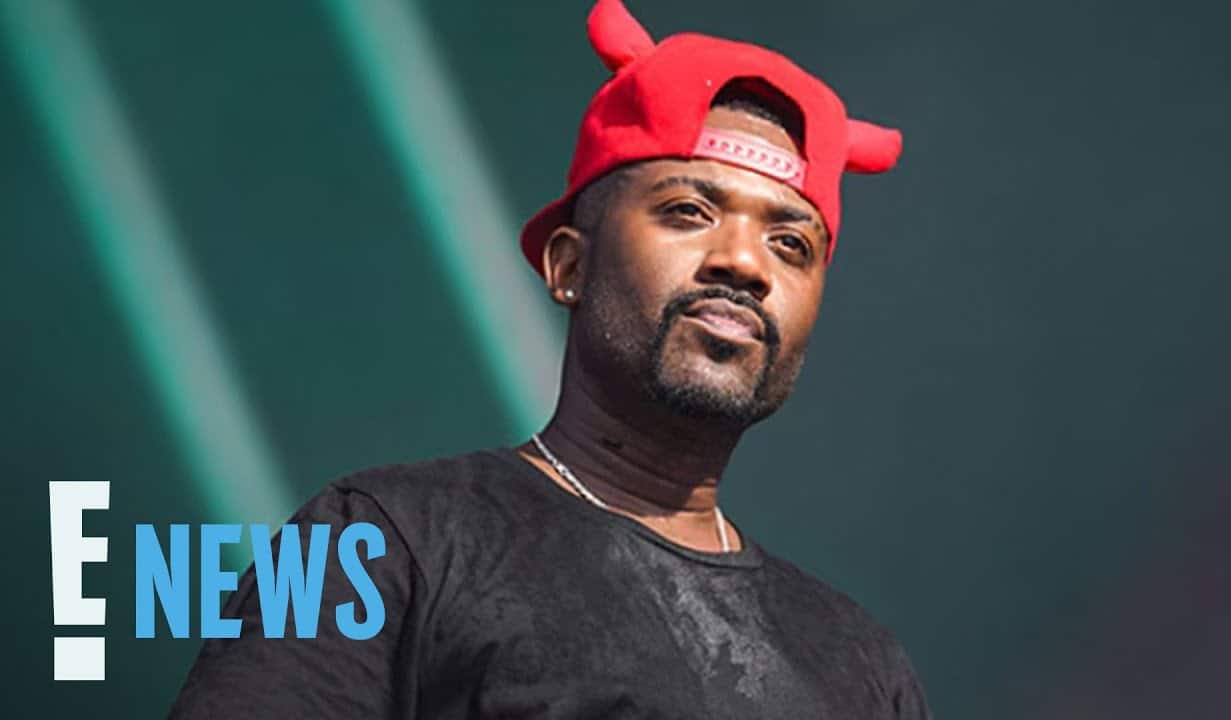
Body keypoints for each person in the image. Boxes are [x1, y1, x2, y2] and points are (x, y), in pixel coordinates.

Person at [170, 1, 929, 717]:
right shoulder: (370, 544)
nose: (745, 262)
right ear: (568, 266)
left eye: (790, 244)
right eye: (688, 212)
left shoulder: (864, 666)